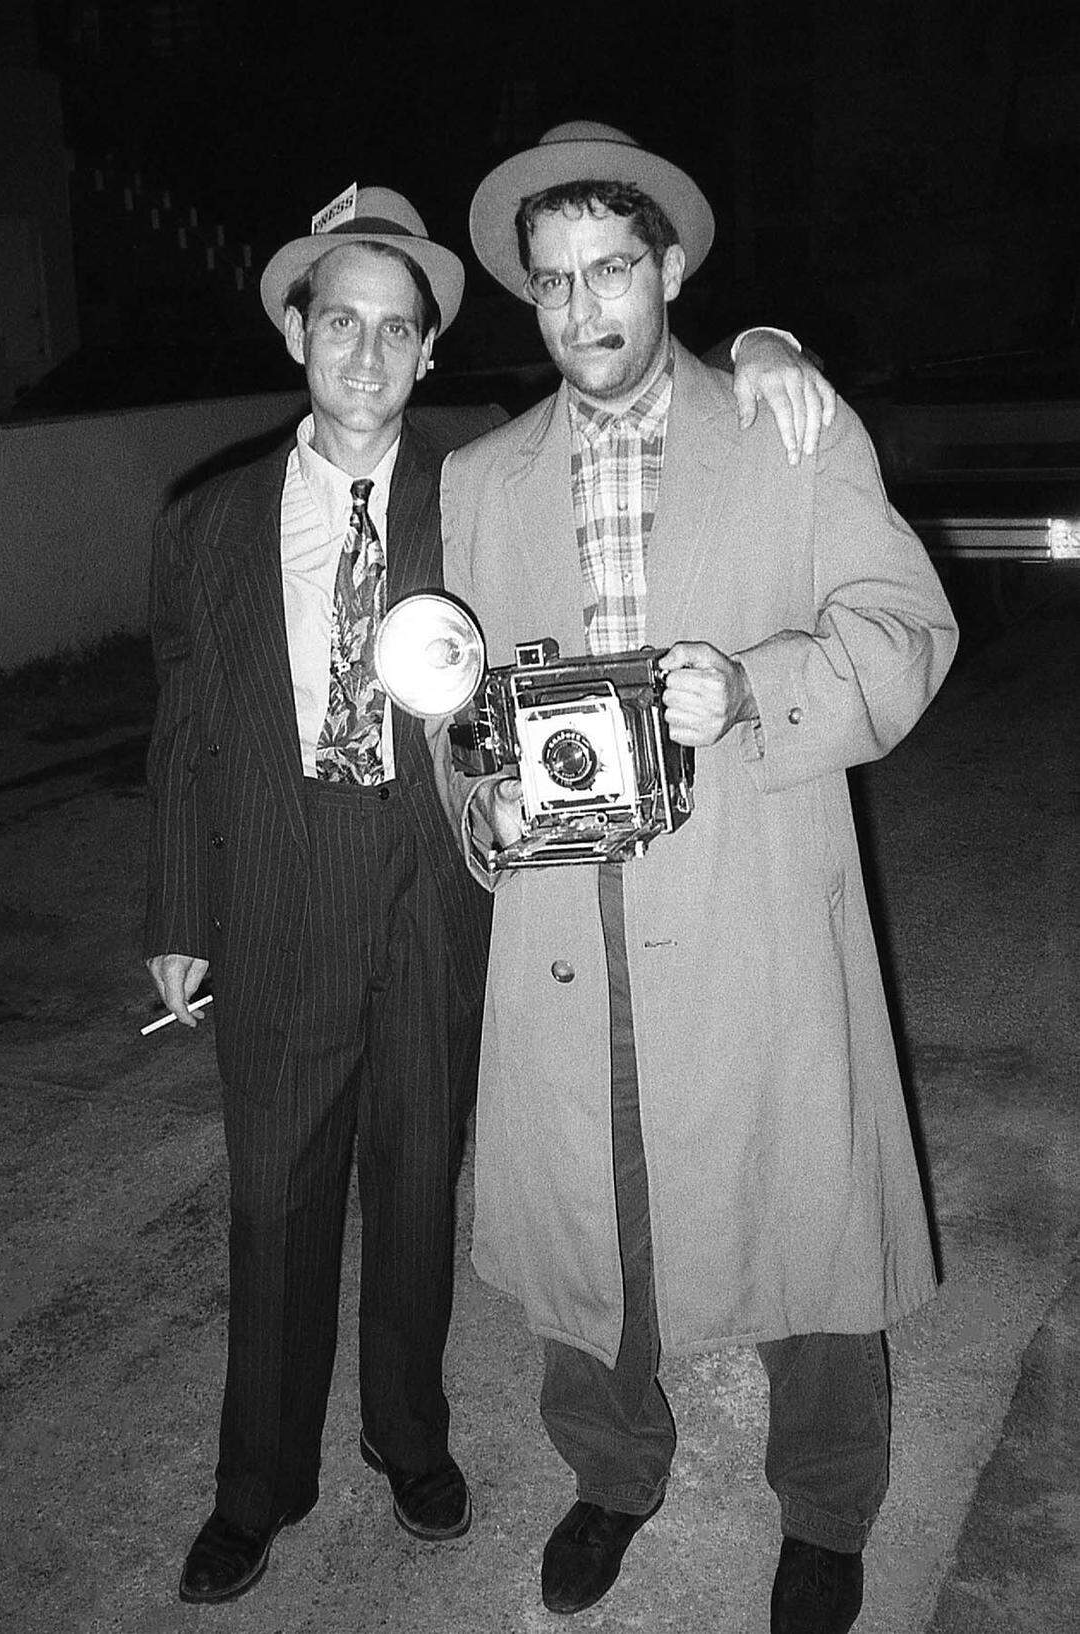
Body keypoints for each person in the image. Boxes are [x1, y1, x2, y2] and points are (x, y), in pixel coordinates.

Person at [144, 181, 836, 1607]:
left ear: (432, 355)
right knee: (274, 1208)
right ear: (295, 333)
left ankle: (411, 1443)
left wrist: (766, 343)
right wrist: (176, 914)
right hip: (276, 903)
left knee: (416, 1188)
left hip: (438, 902)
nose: (367, 353)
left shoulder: (469, 485)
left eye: (398, 330)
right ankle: (255, 1487)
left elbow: (607, 481)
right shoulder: (205, 524)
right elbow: (181, 724)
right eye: (340, 321)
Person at [432, 124, 958, 1634]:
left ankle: (830, 1505)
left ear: (668, 268)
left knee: (801, 1197)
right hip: (562, 913)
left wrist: (756, 686)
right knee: (586, 1208)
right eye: (550, 282)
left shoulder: (789, 425)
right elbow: (468, 711)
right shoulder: (481, 477)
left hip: (751, 887)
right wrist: (480, 791)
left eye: (611, 268)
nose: (583, 307)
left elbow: (906, 629)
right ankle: (611, 1472)